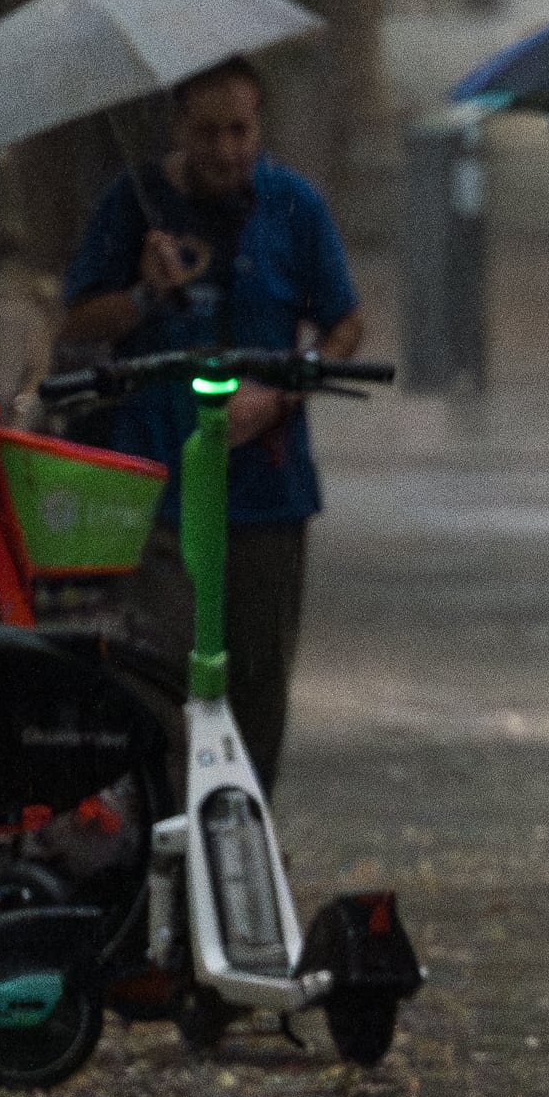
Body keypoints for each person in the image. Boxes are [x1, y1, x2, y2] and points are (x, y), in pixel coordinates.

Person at [59, 58, 364, 790]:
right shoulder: (131, 205)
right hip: (155, 490)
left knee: (258, 683)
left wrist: (283, 392)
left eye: (241, 130)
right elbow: (80, 318)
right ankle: (168, 830)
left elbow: (345, 324)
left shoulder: (293, 206)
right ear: (178, 128)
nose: (227, 150)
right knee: (159, 676)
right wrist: (143, 294)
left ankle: (246, 836)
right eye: (208, 132)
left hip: (265, 494)